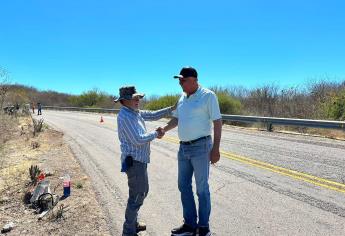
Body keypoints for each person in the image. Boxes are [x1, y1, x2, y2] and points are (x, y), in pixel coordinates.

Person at [161, 67, 222, 236]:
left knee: (202, 189)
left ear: (194, 80)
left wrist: (216, 148)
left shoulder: (208, 95)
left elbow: (218, 122)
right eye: (179, 80)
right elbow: (177, 118)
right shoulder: (182, 97)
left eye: (183, 80)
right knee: (183, 185)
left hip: (201, 147)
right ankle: (189, 224)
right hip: (184, 148)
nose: (180, 83)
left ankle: (203, 227)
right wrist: (165, 129)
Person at [115, 85, 175, 236]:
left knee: (140, 192)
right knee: (137, 195)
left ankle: (132, 224)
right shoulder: (125, 116)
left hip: (139, 160)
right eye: (134, 98)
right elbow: (137, 139)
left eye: (138, 98)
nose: (137, 100)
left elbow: (153, 115)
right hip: (134, 162)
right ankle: (128, 231)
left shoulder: (135, 113)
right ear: (124, 101)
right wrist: (156, 133)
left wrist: (171, 108)